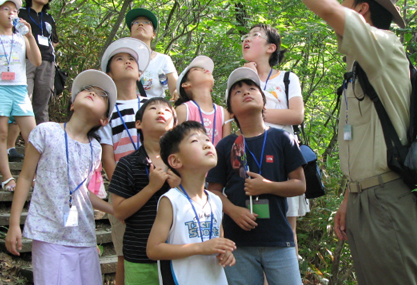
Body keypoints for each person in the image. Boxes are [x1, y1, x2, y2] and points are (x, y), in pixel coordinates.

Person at [258, 0, 417, 285]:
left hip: (388, 200)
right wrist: (351, 197)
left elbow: (326, 9)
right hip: (365, 196)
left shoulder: (384, 47)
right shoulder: (358, 66)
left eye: (345, 0)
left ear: (362, 9)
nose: (339, 6)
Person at [5, 69, 116, 285]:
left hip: (83, 235)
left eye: (101, 95)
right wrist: (13, 224)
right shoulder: (45, 131)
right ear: (72, 104)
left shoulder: (95, 148)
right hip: (48, 233)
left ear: (104, 119)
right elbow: (26, 177)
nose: (92, 93)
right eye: (86, 90)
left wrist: (114, 209)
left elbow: (84, 192)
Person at [206, 67, 306, 285]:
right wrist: (233, 210)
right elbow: (212, 191)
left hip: (279, 240)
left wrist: (268, 186)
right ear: (230, 110)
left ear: (263, 100)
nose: (246, 92)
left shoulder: (282, 139)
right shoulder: (225, 145)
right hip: (237, 244)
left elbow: (300, 185)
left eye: (252, 88)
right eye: (237, 91)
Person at [241, 23, 309, 253]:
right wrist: (247, 76)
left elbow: (296, 115)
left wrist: (256, 113)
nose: (247, 39)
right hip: (250, 156)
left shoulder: (288, 78)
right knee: (253, 226)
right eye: (246, 36)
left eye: (255, 35)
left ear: (271, 47)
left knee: (287, 227)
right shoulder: (242, 79)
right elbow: (234, 115)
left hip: (282, 157)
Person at [147, 121, 236, 285]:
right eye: (195, 141)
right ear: (175, 161)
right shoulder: (171, 200)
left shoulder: (216, 200)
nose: (206, 145)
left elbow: (217, 240)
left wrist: (225, 252)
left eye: (207, 140)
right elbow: (153, 249)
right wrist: (199, 248)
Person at [97, 36, 152, 285]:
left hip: (158, 181)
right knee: (123, 252)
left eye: (132, 59)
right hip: (125, 189)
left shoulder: (152, 105)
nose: (127, 62)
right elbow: (108, 156)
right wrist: (121, 191)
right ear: (109, 73)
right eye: (119, 59)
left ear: (140, 73)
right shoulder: (106, 112)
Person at [109, 97, 180, 285]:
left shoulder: (184, 163)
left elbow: (199, 199)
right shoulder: (127, 164)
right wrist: (151, 188)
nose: (160, 112)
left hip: (180, 255)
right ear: (138, 124)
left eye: (167, 110)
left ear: (175, 124)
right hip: (140, 258)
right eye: (153, 108)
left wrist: (181, 187)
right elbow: (119, 211)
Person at [0, 0, 41, 192]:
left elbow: (37, 61)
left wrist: (30, 36)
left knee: (32, 134)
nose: (11, 13)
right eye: (6, 9)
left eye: (14, 11)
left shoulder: (22, 38)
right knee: (1, 132)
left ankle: (33, 176)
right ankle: (7, 178)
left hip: (20, 89)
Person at [6, 0, 60, 160]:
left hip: (47, 62)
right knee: (23, 101)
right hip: (24, 60)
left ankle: (42, 149)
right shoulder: (20, 13)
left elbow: (54, 41)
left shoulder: (49, 18)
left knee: (41, 106)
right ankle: (10, 147)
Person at [175, 55, 231, 145]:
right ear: (186, 84)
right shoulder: (183, 110)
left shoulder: (223, 113)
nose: (204, 70)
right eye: (196, 69)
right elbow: (176, 144)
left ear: (211, 88)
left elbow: (226, 147)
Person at [125, 8, 178, 100]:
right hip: (125, 110)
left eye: (146, 22)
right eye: (136, 22)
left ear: (153, 34)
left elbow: (175, 89)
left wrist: (177, 93)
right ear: (131, 34)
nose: (141, 24)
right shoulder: (120, 58)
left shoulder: (163, 59)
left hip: (154, 109)